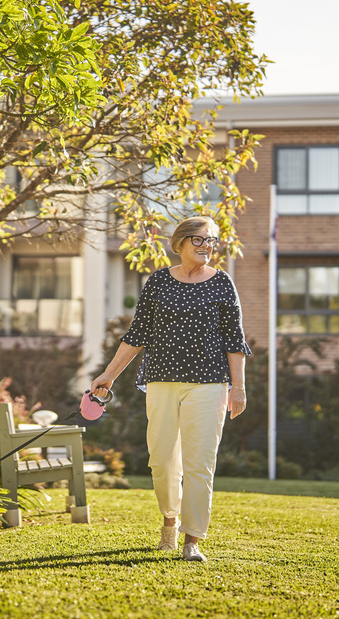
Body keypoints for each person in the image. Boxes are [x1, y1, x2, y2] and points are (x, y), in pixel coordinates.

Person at [90, 215, 249, 562]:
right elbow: (138, 334)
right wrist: (109, 375)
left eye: (213, 241)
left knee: (199, 463)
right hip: (161, 380)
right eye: (200, 240)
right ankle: (170, 521)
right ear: (180, 242)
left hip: (209, 383)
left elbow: (235, 341)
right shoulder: (158, 281)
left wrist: (238, 388)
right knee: (162, 460)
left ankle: (192, 539)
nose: (208, 246)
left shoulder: (222, 283)